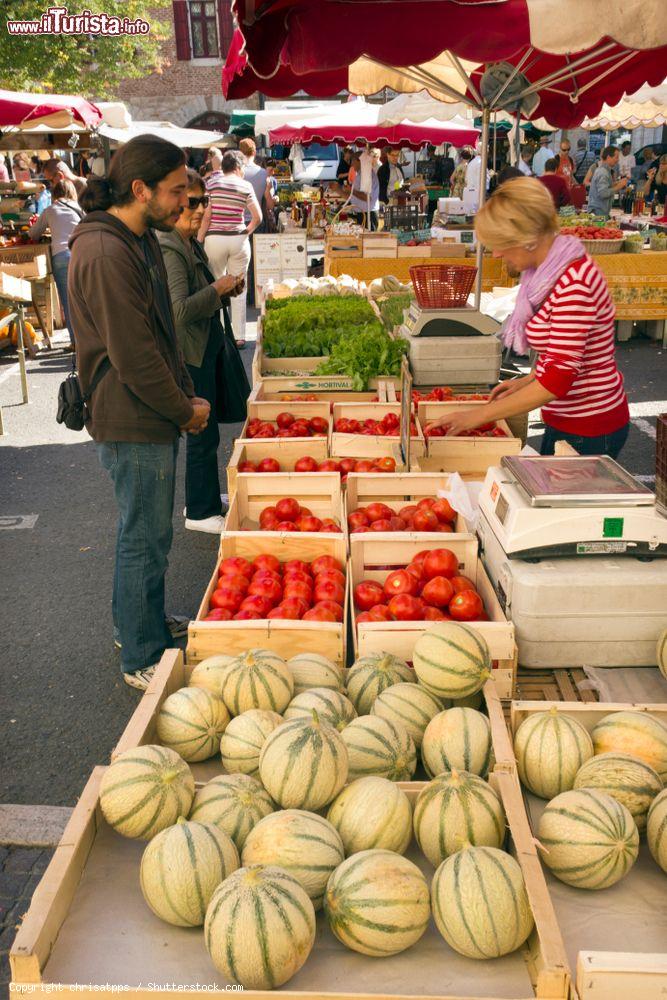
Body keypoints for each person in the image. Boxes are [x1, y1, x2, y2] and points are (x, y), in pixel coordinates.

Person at [69, 135, 211, 691]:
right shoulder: (105, 252)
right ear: (139, 188)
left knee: (150, 534)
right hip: (131, 416)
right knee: (143, 536)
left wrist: (185, 391)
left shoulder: (137, 237)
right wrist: (183, 410)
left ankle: (144, 624)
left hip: (147, 410)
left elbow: (159, 333)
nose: (184, 202)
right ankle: (140, 653)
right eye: (176, 191)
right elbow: (133, 356)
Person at [426, 178, 629, 458]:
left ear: (529, 239)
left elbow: (559, 377)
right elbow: (562, 353)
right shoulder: (546, 275)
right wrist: (527, 380)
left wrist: (478, 415)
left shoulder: (574, 283)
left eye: (502, 244)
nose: (496, 253)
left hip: (589, 427)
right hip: (567, 419)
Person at [158, 169, 244, 534]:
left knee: (207, 433)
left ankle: (206, 499)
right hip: (190, 354)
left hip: (203, 347)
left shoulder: (189, 240)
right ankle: (200, 512)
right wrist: (217, 289)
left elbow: (200, 295)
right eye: (192, 202)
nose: (199, 208)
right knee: (201, 431)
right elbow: (177, 311)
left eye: (203, 201)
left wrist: (226, 290)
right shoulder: (170, 247)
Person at [198, 149, 262, 349]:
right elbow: (257, 217)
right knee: (238, 287)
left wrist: (200, 240)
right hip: (238, 240)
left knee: (216, 286)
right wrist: (246, 232)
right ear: (237, 167)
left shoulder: (211, 184)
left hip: (214, 240)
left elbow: (207, 217)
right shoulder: (245, 185)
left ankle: (221, 330)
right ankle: (239, 336)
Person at [28, 178, 83, 349]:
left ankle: (75, 342)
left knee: (68, 301)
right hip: (81, 252)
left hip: (60, 255)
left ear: (55, 194)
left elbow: (33, 234)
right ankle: (90, 340)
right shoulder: (79, 208)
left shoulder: (50, 210)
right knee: (85, 298)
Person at [588, 146, 628, 216]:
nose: (618, 160)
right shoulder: (603, 172)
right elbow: (603, 193)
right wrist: (619, 186)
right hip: (598, 213)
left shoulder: (604, 170)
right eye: (616, 157)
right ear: (609, 157)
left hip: (600, 211)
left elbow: (605, 187)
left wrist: (616, 183)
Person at [349, 148, 380, 229]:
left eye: (352, 161)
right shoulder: (360, 174)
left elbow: (368, 197)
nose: (351, 164)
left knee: (369, 239)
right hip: (363, 213)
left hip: (368, 214)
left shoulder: (367, 174)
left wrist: (351, 191)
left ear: (359, 161)